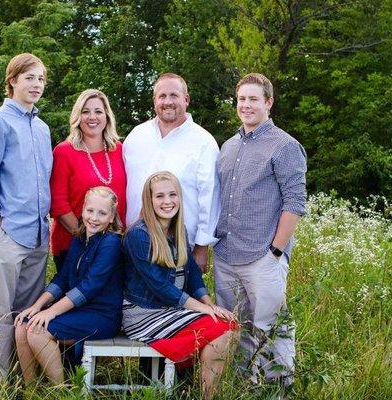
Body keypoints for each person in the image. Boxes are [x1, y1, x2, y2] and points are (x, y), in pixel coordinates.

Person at [213, 73, 307, 388]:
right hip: (226, 254)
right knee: (237, 327)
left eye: (253, 99)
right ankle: (246, 387)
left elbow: (295, 203)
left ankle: (280, 390)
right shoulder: (228, 146)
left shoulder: (285, 145)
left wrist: (276, 252)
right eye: (241, 99)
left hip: (262, 256)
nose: (246, 105)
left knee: (274, 327)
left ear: (268, 102)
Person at [0, 53, 52, 382]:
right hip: (8, 236)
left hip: (38, 237)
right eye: (29, 77)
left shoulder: (42, 128)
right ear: (13, 81)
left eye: (41, 79)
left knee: (27, 316)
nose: (36, 85)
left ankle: (21, 381)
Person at [122, 171, 238, 399]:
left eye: (172, 195)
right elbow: (159, 286)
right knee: (222, 329)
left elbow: (192, 273)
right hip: (144, 313)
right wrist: (203, 309)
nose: (167, 202)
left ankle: (206, 394)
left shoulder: (178, 230)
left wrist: (209, 303)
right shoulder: (139, 235)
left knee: (228, 326)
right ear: (149, 200)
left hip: (172, 309)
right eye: (160, 196)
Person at [14, 186, 124, 384]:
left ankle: (60, 391)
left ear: (111, 217)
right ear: (82, 210)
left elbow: (90, 287)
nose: (94, 218)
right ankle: (31, 392)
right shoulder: (79, 239)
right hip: (77, 310)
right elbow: (62, 278)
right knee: (22, 327)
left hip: (102, 315)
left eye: (102, 213)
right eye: (90, 211)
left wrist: (51, 312)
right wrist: (37, 307)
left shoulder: (111, 243)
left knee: (36, 332)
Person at [123, 73, 220, 272]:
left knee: (176, 299)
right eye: (162, 96)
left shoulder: (203, 142)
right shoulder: (136, 136)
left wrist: (202, 247)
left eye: (174, 95)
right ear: (154, 100)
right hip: (135, 243)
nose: (168, 102)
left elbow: (210, 198)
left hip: (181, 246)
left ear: (186, 99)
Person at [50, 89, 126, 271]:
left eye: (98, 111)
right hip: (74, 244)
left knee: (109, 299)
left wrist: (111, 242)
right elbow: (59, 205)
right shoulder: (64, 151)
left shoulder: (120, 150)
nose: (92, 117)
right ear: (78, 116)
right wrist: (88, 240)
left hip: (115, 246)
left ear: (107, 116)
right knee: (75, 297)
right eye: (85, 111)